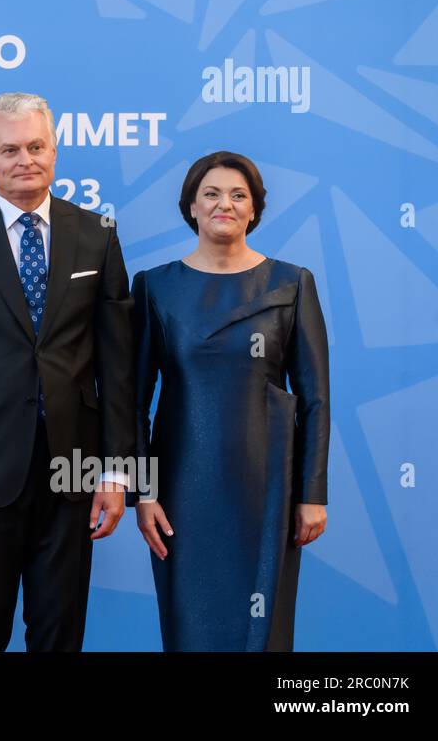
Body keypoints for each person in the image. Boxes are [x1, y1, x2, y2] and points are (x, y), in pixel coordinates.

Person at [0, 92, 136, 651]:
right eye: (9, 149)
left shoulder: (98, 234)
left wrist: (119, 472)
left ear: (55, 151)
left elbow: (119, 365)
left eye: (36, 146)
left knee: (60, 636)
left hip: (75, 473)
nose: (24, 160)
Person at [131, 152, 329, 651]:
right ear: (192, 207)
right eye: (212, 194)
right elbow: (131, 403)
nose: (226, 204)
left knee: (263, 635)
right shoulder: (155, 287)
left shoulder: (292, 282)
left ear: (255, 209)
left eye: (239, 195)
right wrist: (144, 495)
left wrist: (312, 494)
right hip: (181, 491)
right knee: (191, 632)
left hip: (270, 490)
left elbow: (316, 399)